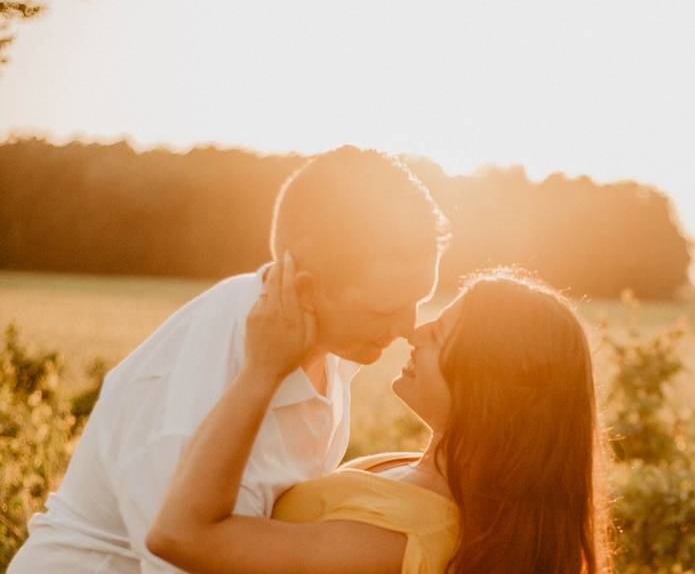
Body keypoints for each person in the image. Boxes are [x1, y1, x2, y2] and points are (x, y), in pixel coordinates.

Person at [9, 146, 449, 573]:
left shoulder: (333, 348)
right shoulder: (197, 391)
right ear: (308, 289)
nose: (406, 329)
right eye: (383, 310)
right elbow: (176, 560)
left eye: (417, 300)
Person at [147, 263, 611, 574]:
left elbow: (181, 536)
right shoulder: (418, 473)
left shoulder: (396, 539)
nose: (415, 332)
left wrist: (262, 370)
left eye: (442, 332)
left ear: (484, 381)